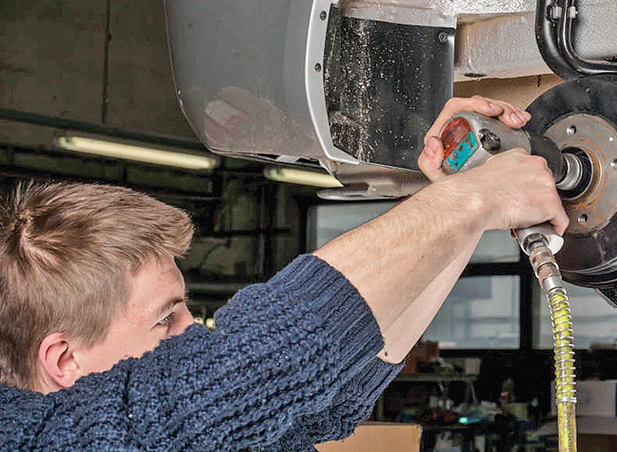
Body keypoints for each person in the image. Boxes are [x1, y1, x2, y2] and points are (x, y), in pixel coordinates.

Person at [0, 97, 568, 451]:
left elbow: (331, 397)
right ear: (64, 360)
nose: (191, 330)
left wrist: (462, 213)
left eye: (181, 308)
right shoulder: (33, 438)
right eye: (163, 321)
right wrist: (466, 202)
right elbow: (249, 368)